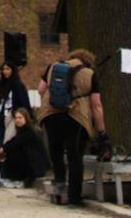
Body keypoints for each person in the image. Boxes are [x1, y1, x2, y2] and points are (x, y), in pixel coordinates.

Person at [36, 49, 100, 206]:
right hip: (75, 116)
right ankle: (74, 197)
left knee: (55, 149)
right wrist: (100, 129)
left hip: (51, 115)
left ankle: (59, 181)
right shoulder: (89, 73)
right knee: (75, 156)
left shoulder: (53, 67)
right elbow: (96, 105)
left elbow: (40, 90)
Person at [0, 106, 52, 186]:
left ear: (26, 118)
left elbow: (16, 143)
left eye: (20, 118)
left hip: (35, 165)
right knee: (11, 152)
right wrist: (2, 149)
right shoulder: (21, 130)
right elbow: (13, 141)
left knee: (14, 153)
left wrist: (2, 150)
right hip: (31, 161)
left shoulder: (29, 131)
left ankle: (18, 179)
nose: (18, 120)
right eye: (16, 118)